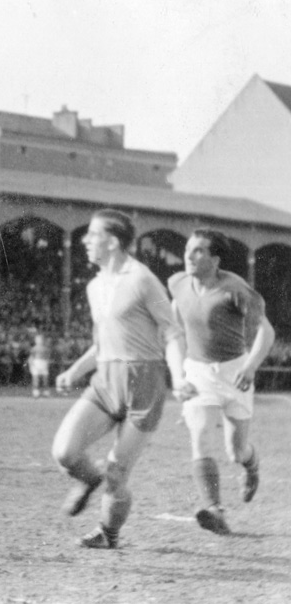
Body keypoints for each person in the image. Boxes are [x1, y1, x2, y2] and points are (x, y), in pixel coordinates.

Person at [52, 209, 185, 549]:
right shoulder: (95, 286)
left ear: (112, 242)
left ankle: (108, 534)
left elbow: (171, 331)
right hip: (105, 381)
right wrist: (75, 371)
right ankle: (88, 479)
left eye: (92, 234)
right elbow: (101, 344)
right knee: (65, 452)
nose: (85, 240)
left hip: (144, 383)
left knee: (117, 474)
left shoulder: (143, 280)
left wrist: (180, 375)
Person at [168, 228, 274, 534]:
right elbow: (176, 320)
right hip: (199, 372)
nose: (189, 255)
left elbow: (266, 332)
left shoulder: (235, 289)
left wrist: (252, 366)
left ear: (215, 259)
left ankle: (251, 467)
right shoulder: (177, 283)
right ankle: (214, 509)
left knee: (236, 450)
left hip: (235, 372)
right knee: (200, 436)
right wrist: (180, 369)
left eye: (199, 250)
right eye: (188, 248)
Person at [28, 333, 53, 398]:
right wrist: (31, 365)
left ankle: (46, 392)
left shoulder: (46, 349)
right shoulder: (34, 348)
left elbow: (47, 357)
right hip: (36, 363)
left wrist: (47, 363)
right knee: (36, 379)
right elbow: (31, 357)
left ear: (43, 340)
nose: (39, 341)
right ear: (35, 340)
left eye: (41, 339)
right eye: (38, 339)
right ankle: (36, 392)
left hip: (43, 364)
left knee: (45, 379)